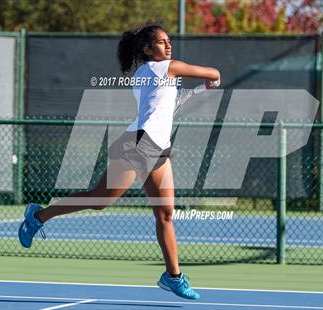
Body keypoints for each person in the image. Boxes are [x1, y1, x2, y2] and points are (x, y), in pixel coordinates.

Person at [18, 22, 220, 300]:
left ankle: (173, 277)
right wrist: (212, 79)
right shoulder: (163, 67)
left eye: (168, 41)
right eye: (162, 42)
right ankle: (38, 216)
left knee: (165, 215)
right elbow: (213, 72)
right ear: (148, 49)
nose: (168, 45)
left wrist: (198, 89)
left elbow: (162, 106)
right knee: (99, 200)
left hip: (157, 147)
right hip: (139, 145)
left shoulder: (146, 73)